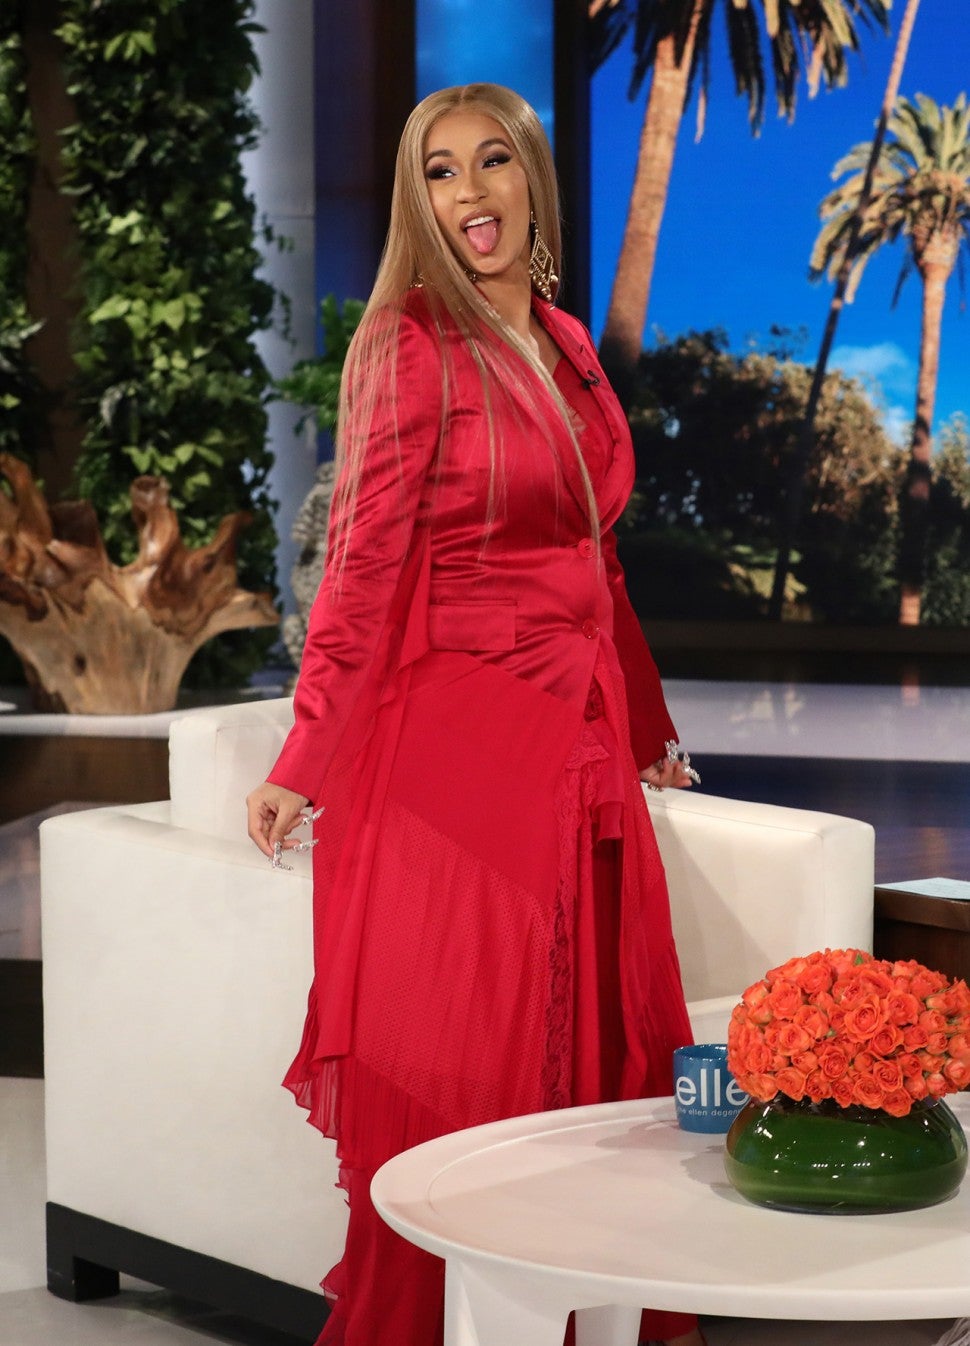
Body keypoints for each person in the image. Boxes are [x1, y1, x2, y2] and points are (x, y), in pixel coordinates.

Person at [247, 82, 705, 1346]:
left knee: (595, 1084)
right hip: (458, 750)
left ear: (531, 179)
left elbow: (598, 558)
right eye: (438, 173)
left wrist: (648, 729)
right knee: (482, 1089)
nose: (468, 193)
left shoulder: (567, 343)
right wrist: (303, 755)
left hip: (582, 745)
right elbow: (362, 570)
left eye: (490, 161)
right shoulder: (409, 345)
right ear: (419, 201)